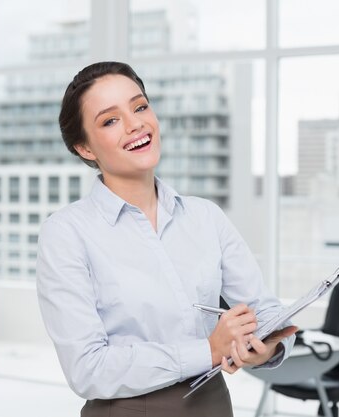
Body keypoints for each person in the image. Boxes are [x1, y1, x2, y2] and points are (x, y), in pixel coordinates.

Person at [36, 61, 297, 417]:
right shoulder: (67, 233)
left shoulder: (206, 217)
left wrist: (266, 347)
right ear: (85, 148)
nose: (135, 124)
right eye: (110, 120)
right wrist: (207, 350)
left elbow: (267, 311)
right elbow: (87, 369)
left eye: (140, 106)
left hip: (213, 405)